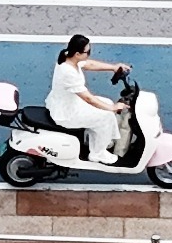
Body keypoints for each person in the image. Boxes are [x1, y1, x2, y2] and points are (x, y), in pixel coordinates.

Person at [47, 34, 129, 163]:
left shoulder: (68, 57)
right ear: (77, 54)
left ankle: (100, 140)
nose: (89, 54)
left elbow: (89, 64)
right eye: (88, 52)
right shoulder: (68, 72)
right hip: (67, 113)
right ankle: (98, 153)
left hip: (68, 103)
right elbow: (88, 98)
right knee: (107, 116)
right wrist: (113, 108)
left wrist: (113, 67)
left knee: (106, 103)